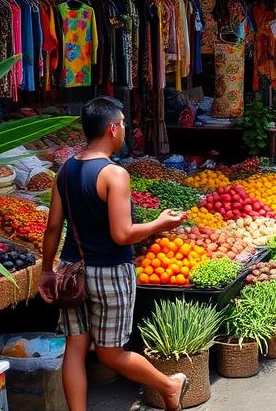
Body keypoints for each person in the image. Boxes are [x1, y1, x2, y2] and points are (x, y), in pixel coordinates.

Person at [39, 97, 189, 411]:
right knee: (110, 353)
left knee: (75, 348)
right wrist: (159, 224)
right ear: (111, 129)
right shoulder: (114, 174)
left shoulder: (65, 170)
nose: (123, 129)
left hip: (71, 272)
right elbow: (122, 234)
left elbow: (53, 227)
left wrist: (47, 270)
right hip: (109, 272)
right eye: (122, 123)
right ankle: (168, 385)